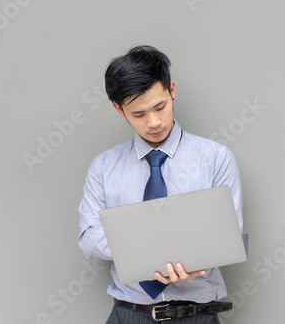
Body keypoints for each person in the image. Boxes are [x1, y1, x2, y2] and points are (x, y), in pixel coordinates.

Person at [77, 45, 243, 323]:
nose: (153, 122)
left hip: (197, 315)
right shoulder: (104, 167)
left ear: (172, 90)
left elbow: (228, 234)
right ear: (120, 110)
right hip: (128, 314)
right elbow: (89, 240)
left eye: (160, 107)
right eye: (139, 114)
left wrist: (196, 258)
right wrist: (163, 246)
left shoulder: (215, 158)